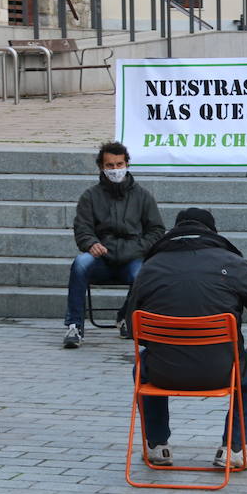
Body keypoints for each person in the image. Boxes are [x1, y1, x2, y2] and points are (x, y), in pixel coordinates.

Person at [130, 208, 247, 469]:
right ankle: (234, 449)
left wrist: (160, 343)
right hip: (222, 370)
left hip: (162, 372)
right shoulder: (231, 263)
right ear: (212, 233)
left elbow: (131, 320)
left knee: (141, 367)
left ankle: (157, 446)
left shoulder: (151, 266)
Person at [63, 141, 165, 349]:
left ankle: (126, 317)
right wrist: (91, 243)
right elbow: (82, 228)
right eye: (110, 165)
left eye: (119, 164)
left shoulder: (143, 196)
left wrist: (135, 249)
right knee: (80, 263)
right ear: (101, 167)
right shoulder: (90, 196)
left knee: (143, 273)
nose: (115, 170)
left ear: (127, 164)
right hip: (101, 258)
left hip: (132, 258)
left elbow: (156, 231)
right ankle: (74, 325)